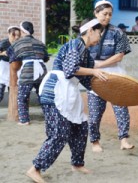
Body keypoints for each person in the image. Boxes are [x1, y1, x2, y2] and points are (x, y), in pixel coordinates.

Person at [25, 18, 107, 183]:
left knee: (80, 127)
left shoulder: (86, 53)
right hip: (55, 90)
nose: (100, 37)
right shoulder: (75, 45)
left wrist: (109, 90)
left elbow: (86, 81)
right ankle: (35, 169)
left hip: (69, 91)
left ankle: (77, 164)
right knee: (59, 133)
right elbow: (71, 69)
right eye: (99, 32)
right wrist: (93, 72)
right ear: (90, 30)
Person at [89, 0, 134, 153]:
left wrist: (99, 65)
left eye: (110, 14)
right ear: (95, 13)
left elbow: (120, 55)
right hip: (94, 75)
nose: (107, 17)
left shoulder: (117, 32)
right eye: (104, 14)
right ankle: (95, 141)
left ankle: (124, 140)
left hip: (114, 73)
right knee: (95, 112)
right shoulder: (88, 31)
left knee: (121, 108)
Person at [7, 21, 49, 125]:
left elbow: (11, 55)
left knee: (22, 97)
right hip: (42, 72)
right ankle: (49, 117)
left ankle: (24, 120)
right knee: (43, 95)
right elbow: (46, 58)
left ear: (22, 31)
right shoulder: (40, 43)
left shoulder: (19, 43)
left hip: (27, 72)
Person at [0, 26, 21, 103]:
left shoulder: (19, 44)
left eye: (18, 35)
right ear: (9, 34)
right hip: (4, 68)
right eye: (14, 35)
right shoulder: (3, 43)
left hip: (15, 68)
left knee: (13, 92)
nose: (16, 37)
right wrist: (3, 53)